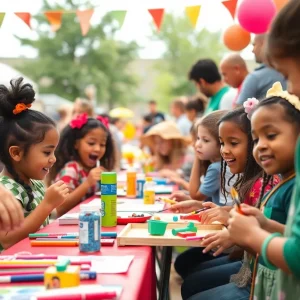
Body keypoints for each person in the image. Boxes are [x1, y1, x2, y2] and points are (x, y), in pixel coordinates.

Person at [176, 104, 279, 300]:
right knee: (190, 280)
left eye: (233, 143)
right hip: (249, 269)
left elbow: (261, 235)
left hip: (257, 279)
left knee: (191, 283)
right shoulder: (251, 181)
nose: (225, 150)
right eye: (222, 143)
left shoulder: (266, 183)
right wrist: (208, 208)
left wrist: (236, 234)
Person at [228, 82, 299, 300]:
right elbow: (292, 234)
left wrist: (252, 235)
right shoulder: (284, 181)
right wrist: (265, 224)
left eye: (271, 135)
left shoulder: (295, 185)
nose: (260, 146)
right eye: (256, 139)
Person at [0, 78, 69, 249]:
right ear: (16, 153)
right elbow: (7, 239)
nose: (53, 159)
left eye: (53, 152)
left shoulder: (35, 184)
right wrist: (47, 204)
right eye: (47, 152)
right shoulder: (7, 190)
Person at [48, 113, 116, 217]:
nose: (97, 149)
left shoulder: (94, 169)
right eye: (91, 143)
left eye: (102, 144)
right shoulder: (71, 169)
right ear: (76, 144)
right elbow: (60, 207)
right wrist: (88, 183)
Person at [236, 34, 287, 105]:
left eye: (254, 45)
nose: (252, 50)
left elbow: (237, 112)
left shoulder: (255, 77)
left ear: (264, 45)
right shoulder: (291, 71)